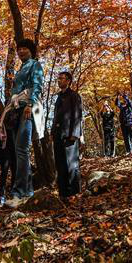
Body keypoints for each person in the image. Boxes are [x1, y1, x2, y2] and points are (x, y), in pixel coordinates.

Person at [4, 38, 44, 208]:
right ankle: (26, 191)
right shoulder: (21, 68)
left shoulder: (35, 64)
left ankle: (19, 192)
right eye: (19, 49)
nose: (20, 51)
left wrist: (30, 104)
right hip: (15, 110)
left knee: (22, 149)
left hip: (27, 108)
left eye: (24, 49)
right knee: (18, 150)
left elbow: (37, 85)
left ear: (31, 50)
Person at [52, 71, 83, 199]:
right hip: (58, 136)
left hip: (69, 136)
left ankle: (74, 193)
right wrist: (52, 132)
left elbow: (77, 115)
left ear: (68, 81)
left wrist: (75, 134)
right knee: (60, 165)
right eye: (58, 78)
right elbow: (56, 117)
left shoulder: (74, 96)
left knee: (71, 165)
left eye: (62, 78)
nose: (59, 80)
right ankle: (63, 194)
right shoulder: (59, 97)